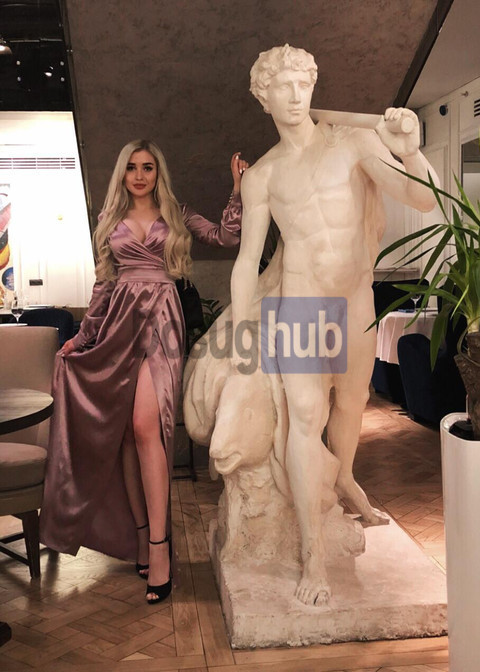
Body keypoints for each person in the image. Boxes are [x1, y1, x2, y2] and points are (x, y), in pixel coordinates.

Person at [230, 44, 437, 606]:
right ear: (264, 97)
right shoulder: (263, 176)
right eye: (284, 86)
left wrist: (412, 153)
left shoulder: (354, 144)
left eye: (304, 84)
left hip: (354, 301)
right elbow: (247, 261)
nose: (297, 96)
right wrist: (244, 330)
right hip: (302, 304)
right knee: (305, 417)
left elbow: (422, 198)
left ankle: (342, 477)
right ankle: (312, 553)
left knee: (351, 404)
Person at [40, 139, 248, 604]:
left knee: (144, 426)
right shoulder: (109, 219)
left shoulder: (175, 212)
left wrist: (237, 191)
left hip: (162, 320)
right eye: (132, 167)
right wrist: (82, 337)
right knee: (126, 436)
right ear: (123, 173)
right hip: (118, 324)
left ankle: (159, 549)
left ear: (158, 172)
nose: (139, 175)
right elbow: (103, 285)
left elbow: (226, 238)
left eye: (148, 167)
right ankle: (140, 537)